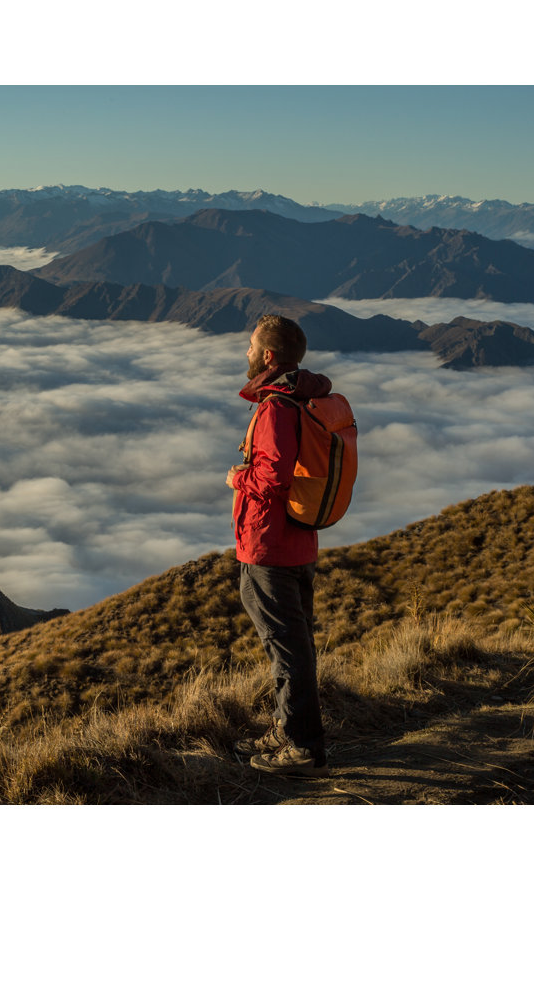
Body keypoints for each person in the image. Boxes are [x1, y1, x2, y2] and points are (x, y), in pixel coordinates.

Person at [225, 314, 331, 778]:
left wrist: (235, 477)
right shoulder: (306, 401)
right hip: (299, 541)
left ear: (268, 356)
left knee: (286, 651)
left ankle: (302, 747)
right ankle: (288, 729)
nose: (245, 354)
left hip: (268, 545)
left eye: (250, 347)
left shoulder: (275, 408)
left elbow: (271, 478)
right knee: (294, 645)